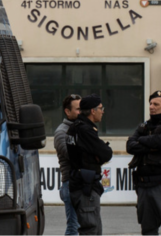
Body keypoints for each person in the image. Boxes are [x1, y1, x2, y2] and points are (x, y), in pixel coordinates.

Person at [126, 91, 161, 235]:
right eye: (151, 104)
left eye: (156, 104)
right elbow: (130, 146)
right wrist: (152, 145)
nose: (151, 107)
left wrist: (142, 141)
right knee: (148, 230)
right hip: (144, 186)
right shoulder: (144, 126)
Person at [67, 95, 113, 235]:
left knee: (94, 228)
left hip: (82, 184)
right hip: (85, 187)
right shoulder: (85, 130)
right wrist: (97, 156)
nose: (102, 112)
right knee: (91, 229)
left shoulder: (75, 127)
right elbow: (106, 153)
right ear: (93, 111)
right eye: (101, 108)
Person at [54, 94, 82, 235]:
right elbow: (75, 157)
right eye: (78, 109)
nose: (81, 112)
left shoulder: (82, 128)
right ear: (67, 111)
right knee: (73, 227)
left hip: (82, 183)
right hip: (70, 184)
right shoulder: (61, 133)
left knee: (82, 226)